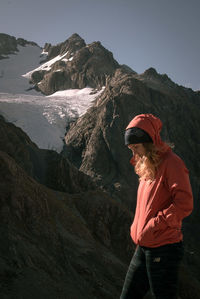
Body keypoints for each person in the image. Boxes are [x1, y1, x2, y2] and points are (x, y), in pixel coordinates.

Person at [120, 113, 193, 299]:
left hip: (164, 247)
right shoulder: (146, 165)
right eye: (131, 148)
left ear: (149, 142)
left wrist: (155, 225)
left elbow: (184, 203)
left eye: (136, 147)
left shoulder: (172, 163)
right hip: (144, 246)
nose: (134, 153)